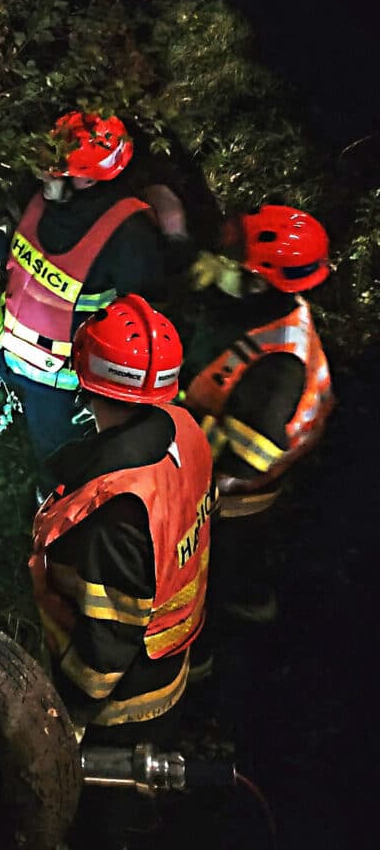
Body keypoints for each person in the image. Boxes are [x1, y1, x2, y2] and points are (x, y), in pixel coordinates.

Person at [29, 294, 215, 847]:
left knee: (95, 821)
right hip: (172, 663)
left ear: (87, 380)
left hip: (121, 706)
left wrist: (68, 717)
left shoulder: (115, 509)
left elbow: (107, 645)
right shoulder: (184, 428)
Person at [0, 111, 185, 476]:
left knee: (60, 471)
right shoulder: (42, 198)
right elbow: (11, 230)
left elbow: (146, 316)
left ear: (87, 178)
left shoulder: (128, 234)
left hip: (65, 391)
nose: (44, 173)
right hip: (8, 361)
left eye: (57, 168)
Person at [178, 205, 334, 623]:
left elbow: (250, 457)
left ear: (259, 282)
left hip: (243, 485)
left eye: (229, 262)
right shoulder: (261, 308)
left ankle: (240, 612)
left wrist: (186, 469)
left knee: (229, 555)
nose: (218, 262)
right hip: (233, 448)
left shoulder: (278, 369)